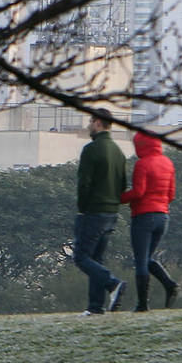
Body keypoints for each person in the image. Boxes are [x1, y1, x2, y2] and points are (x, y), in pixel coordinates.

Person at [71, 115, 129, 314]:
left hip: (92, 211)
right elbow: (123, 185)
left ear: (97, 123)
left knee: (81, 257)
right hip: (111, 212)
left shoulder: (91, 150)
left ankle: (113, 283)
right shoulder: (118, 152)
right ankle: (95, 306)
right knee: (97, 259)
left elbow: (84, 183)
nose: (88, 126)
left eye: (90, 122)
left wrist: (82, 207)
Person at [121, 130, 181, 309]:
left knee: (140, 260)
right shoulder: (168, 163)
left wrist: (120, 198)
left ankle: (142, 305)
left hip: (143, 216)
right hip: (163, 217)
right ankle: (169, 285)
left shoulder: (142, 164)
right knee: (146, 258)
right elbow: (171, 194)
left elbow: (138, 192)